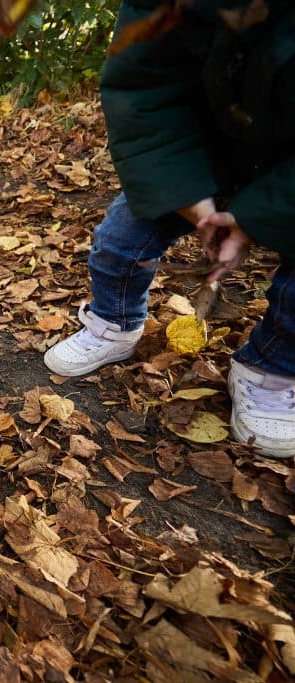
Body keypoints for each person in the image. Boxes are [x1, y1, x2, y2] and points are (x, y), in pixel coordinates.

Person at [44, 0, 295, 458]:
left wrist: (259, 216)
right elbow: (142, 91)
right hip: (200, 149)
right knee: (119, 239)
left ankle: (272, 367)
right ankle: (113, 322)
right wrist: (193, 204)